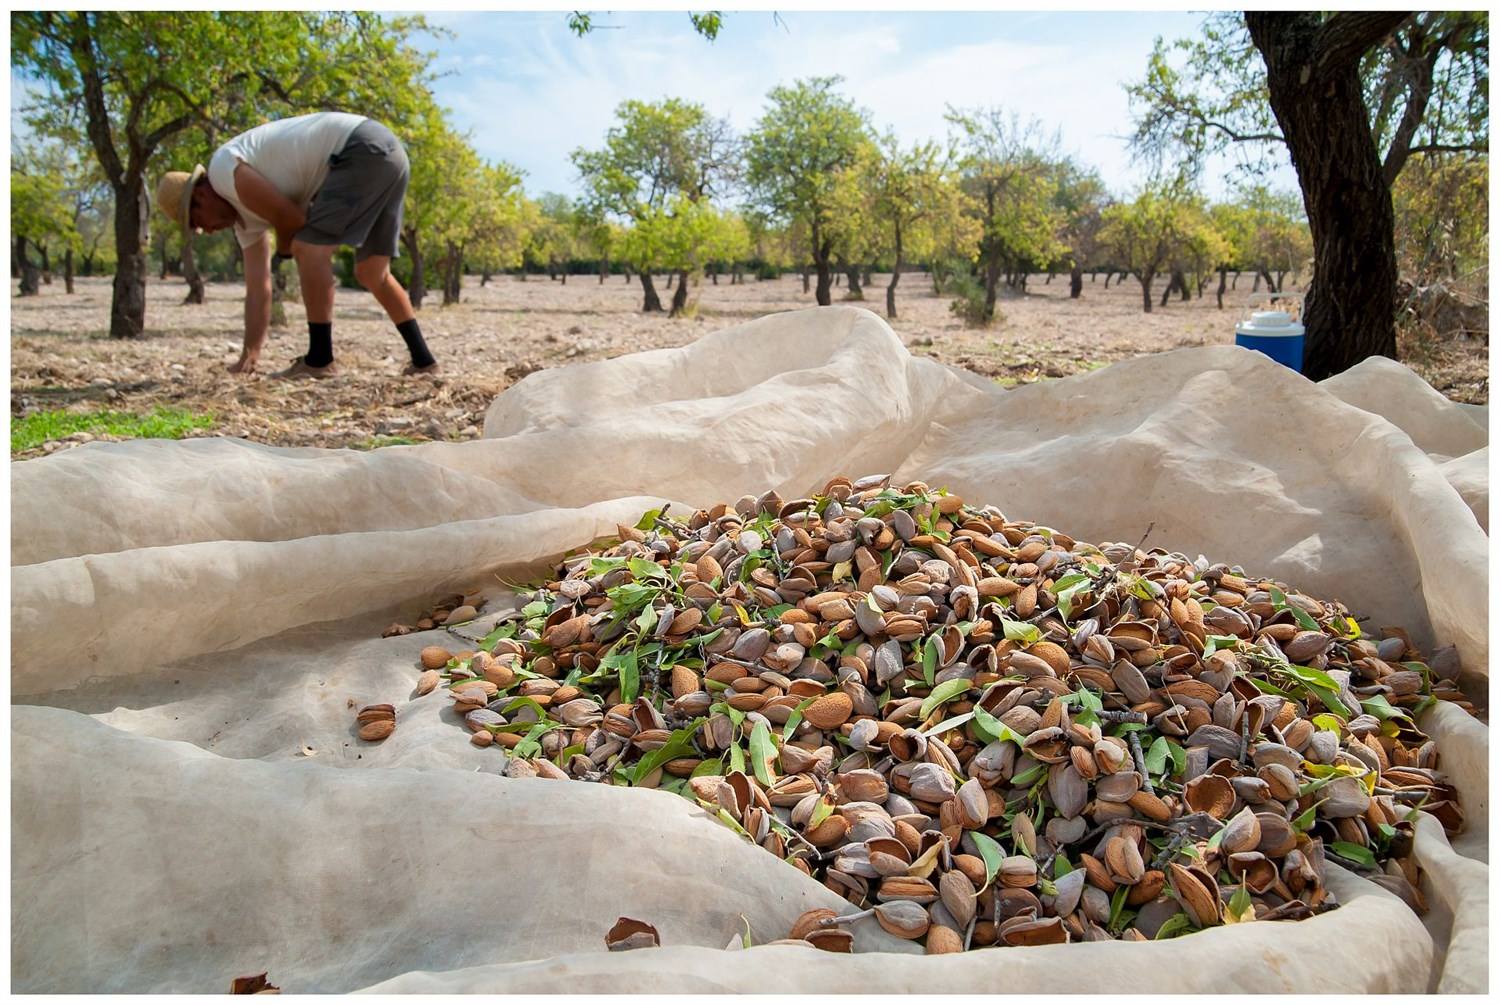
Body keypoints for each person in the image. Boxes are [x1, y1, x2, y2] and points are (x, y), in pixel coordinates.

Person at [154, 111, 437, 378]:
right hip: (389, 155)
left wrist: (285, 251)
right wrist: (250, 354)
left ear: (200, 197)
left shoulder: (223, 170)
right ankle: (424, 361)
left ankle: (319, 360)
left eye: (195, 222)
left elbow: (291, 219)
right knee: (372, 272)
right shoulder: (245, 223)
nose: (205, 231)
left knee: (308, 248)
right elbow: (257, 289)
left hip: (361, 148)